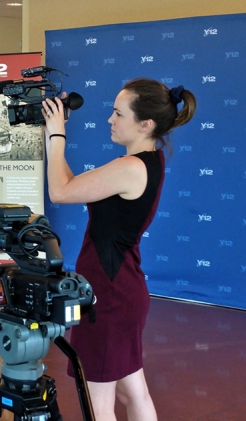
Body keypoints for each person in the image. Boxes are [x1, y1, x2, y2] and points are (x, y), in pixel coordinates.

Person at [41, 78, 196, 421]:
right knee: (133, 391)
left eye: (117, 113)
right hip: (120, 291)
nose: (110, 120)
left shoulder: (129, 167)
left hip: (108, 297)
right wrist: (55, 135)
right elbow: (72, 187)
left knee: (98, 402)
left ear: (145, 124)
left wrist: (56, 135)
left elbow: (59, 193)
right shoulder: (147, 161)